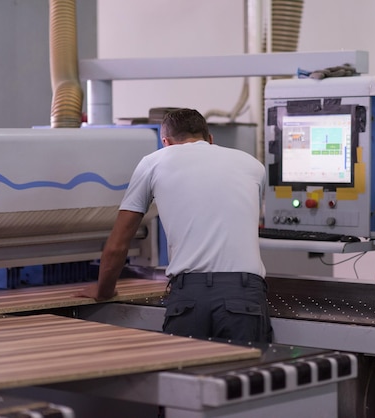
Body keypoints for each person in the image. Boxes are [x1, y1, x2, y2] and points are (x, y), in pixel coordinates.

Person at [78, 108, 272, 343]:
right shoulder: (253, 165)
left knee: (185, 377)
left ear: (165, 142)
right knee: (244, 377)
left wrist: (103, 291)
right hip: (244, 293)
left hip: (189, 295)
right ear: (210, 139)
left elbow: (118, 245)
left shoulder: (154, 162)